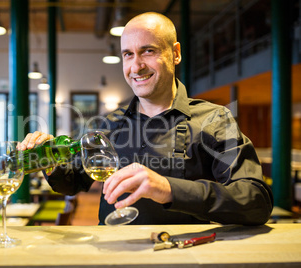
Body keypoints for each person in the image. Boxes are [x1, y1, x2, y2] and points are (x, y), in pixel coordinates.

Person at [19, 12, 273, 225]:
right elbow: (73, 182)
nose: (136, 66)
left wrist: (169, 189)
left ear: (175, 54)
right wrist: (50, 161)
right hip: (112, 256)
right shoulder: (108, 124)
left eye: (148, 51)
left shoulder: (215, 119)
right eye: (128, 54)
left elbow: (255, 200)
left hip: (182, 257)